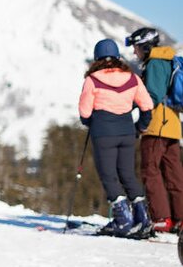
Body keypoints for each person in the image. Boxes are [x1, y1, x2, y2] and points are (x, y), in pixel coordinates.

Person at [78, 39, 154, 237]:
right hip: (127, 132)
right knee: (128, 174)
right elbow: (147, 106)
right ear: (118, 57)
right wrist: (141, 126)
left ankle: (122, 220)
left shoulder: (93, 80)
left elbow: (85, 112)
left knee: (109, 176)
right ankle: (143, 219)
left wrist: (89, 122)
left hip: (103, 133)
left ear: (97, 58)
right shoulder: (132, 78)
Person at [127, 27, 183, 233]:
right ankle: (179, 218)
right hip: (173, 125)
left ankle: (161, 218)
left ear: (145, 46)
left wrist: (138, 117)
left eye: (136, 47)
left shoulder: (155, 63)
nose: (135, 52)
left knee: (150, 170)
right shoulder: (167, 59)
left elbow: (154, 96)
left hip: (157, 125)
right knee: (173, 173)